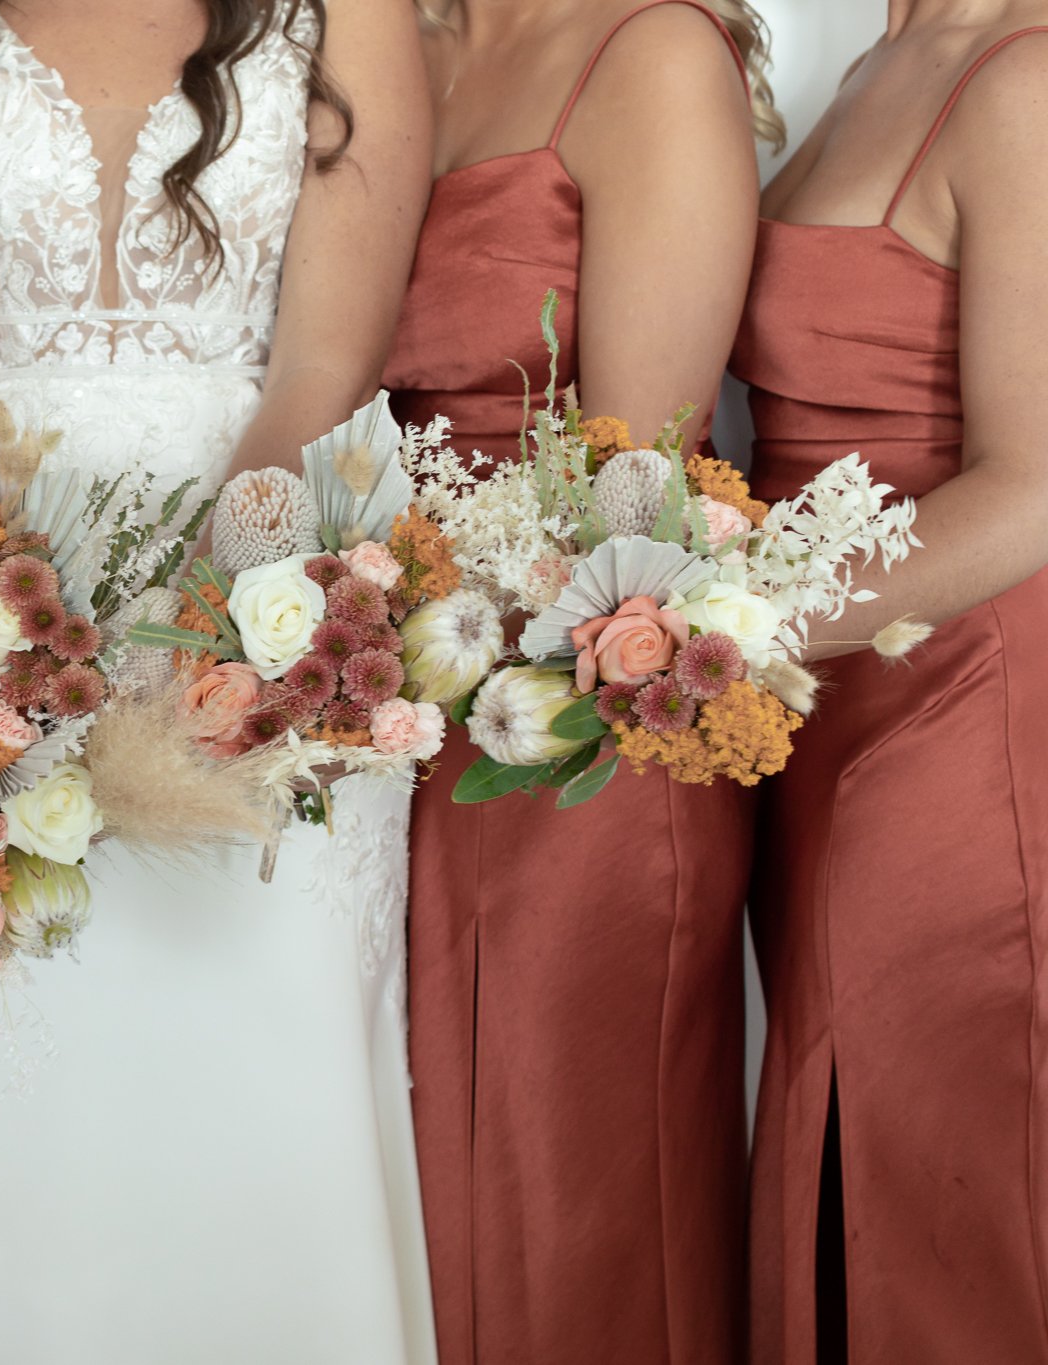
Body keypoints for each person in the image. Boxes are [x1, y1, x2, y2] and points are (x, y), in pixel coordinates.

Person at [0, 1, 436, 1359]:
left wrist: (214, 633)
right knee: (20, 1108)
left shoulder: (346, 17)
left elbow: (327, 366)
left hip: (264, 610)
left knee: (263, 1095)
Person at [382, 2, 776, 1359]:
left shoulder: (652, 54)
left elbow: (634, 501)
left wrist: (400, 619)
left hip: (576, 739)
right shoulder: (385, 45)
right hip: (391, 726)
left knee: (562, 1236)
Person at [731, 7, 1048, 1360]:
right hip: (823, 708)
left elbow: (1035, 487)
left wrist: (726, 625)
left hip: (956, 711)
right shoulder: (876, 57)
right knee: (849, 1148)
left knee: (935, 1174)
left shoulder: (1026, 80)